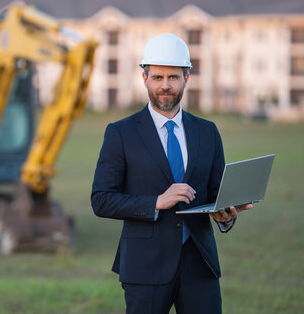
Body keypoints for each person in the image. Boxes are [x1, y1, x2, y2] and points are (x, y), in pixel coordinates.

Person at [91, 33, 252, 314]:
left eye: (173, 77)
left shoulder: (208, 132)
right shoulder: (120, 133)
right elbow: (101, 199)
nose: (165, 86)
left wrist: (226, 217)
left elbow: (215, 195)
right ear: (145, 78)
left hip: (200, 265)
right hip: (145, 267)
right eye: (157, 78)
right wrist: (156, 201)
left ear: (186, 78)